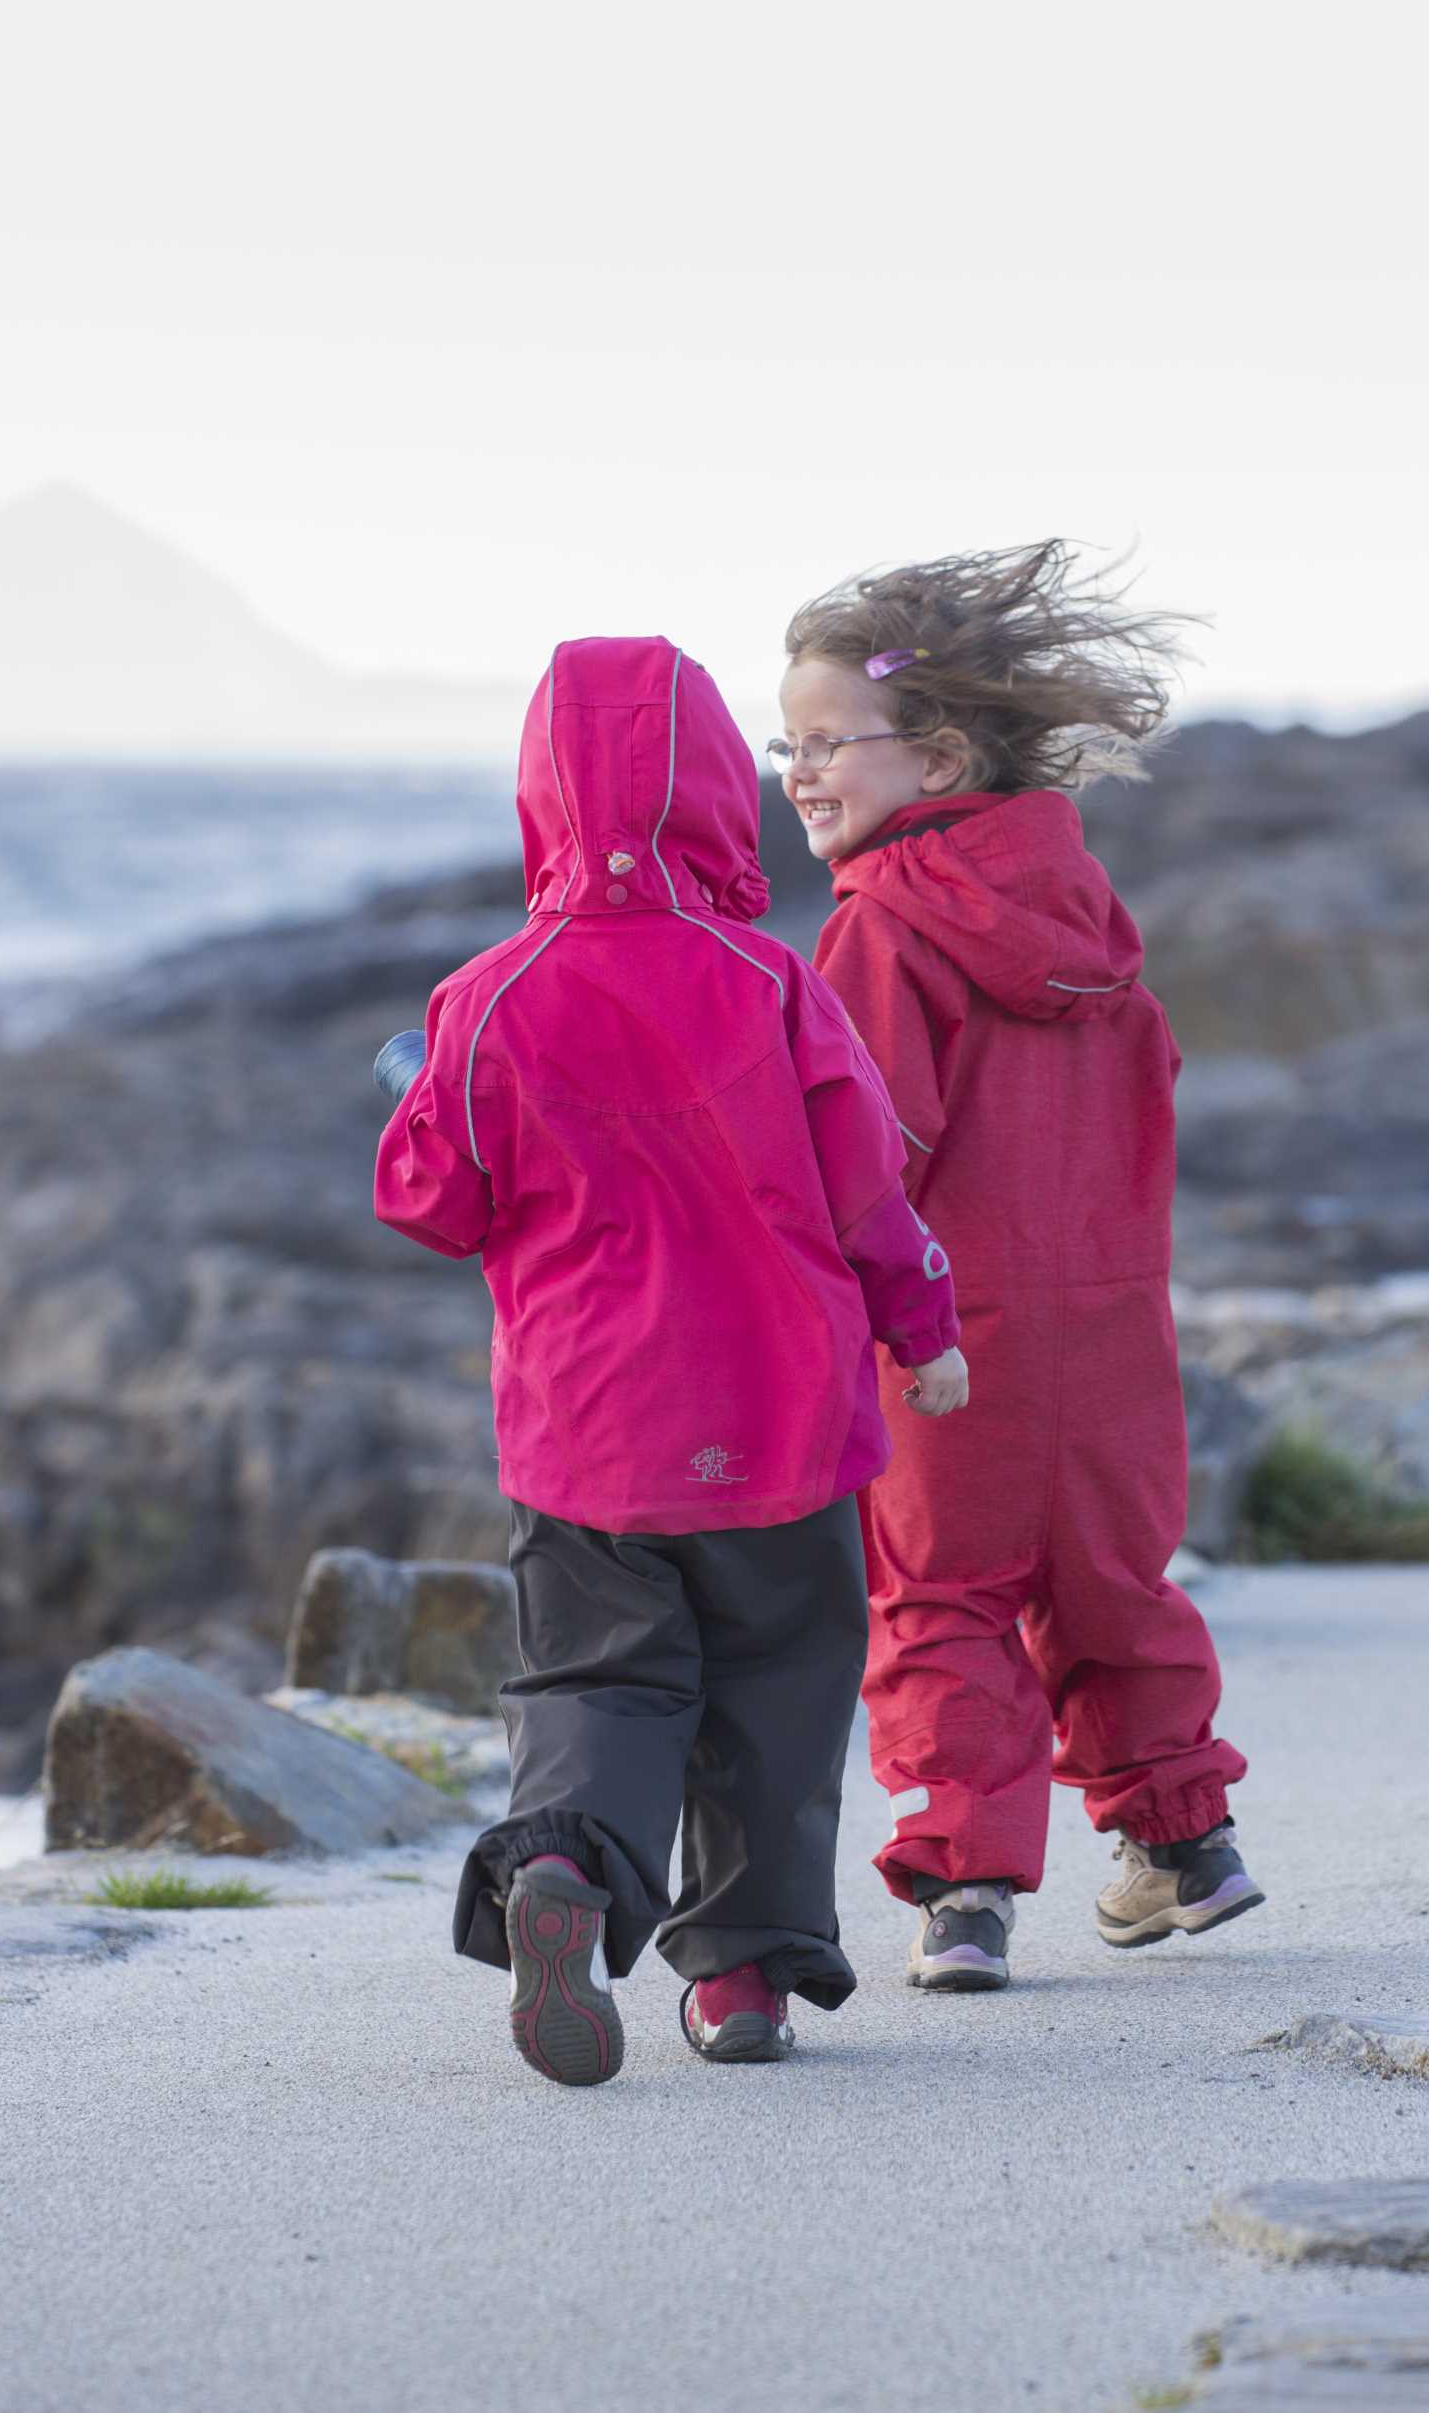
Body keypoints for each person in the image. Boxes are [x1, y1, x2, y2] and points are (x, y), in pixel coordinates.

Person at [377, 634, 966, 2084]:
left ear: (541, 798)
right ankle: (745, 1979)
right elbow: (866, 1187)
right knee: (779, 1690)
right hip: (781, 1421)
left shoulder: (491, 997)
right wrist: (926, 1330)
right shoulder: (771, 984)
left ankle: (568, 1866)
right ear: (714, 790)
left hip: (590, 1435)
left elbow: (433, 1200)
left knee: (597, 1683)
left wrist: (413, 1093)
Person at [777, 542, 1258, 1993]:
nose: (797, 774)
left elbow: (871, 1143)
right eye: (781, 745)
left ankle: (966, 1887)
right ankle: (1188, 1842)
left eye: (823, 745)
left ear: (932, 754)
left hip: (949, 1331)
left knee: (944, 1593)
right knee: (1112, 1579)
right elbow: (1148, 1102)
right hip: (1112, 1327)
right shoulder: (1091, 929)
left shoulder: (880, 927)